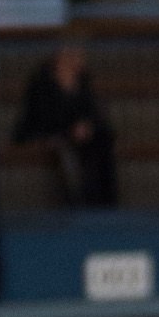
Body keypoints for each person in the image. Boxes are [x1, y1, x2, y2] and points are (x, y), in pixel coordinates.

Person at [14, 45, 118, 209]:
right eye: (73, 56)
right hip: (50, 134)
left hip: (78, 136)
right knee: (66, 153)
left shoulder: (83, 82)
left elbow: (94, 113)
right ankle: (77, 204)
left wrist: (87, 126)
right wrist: (68, 131)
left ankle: (105, 204)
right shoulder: (42, 84)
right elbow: (40, 118)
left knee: (102, 142)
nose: (79, 61)